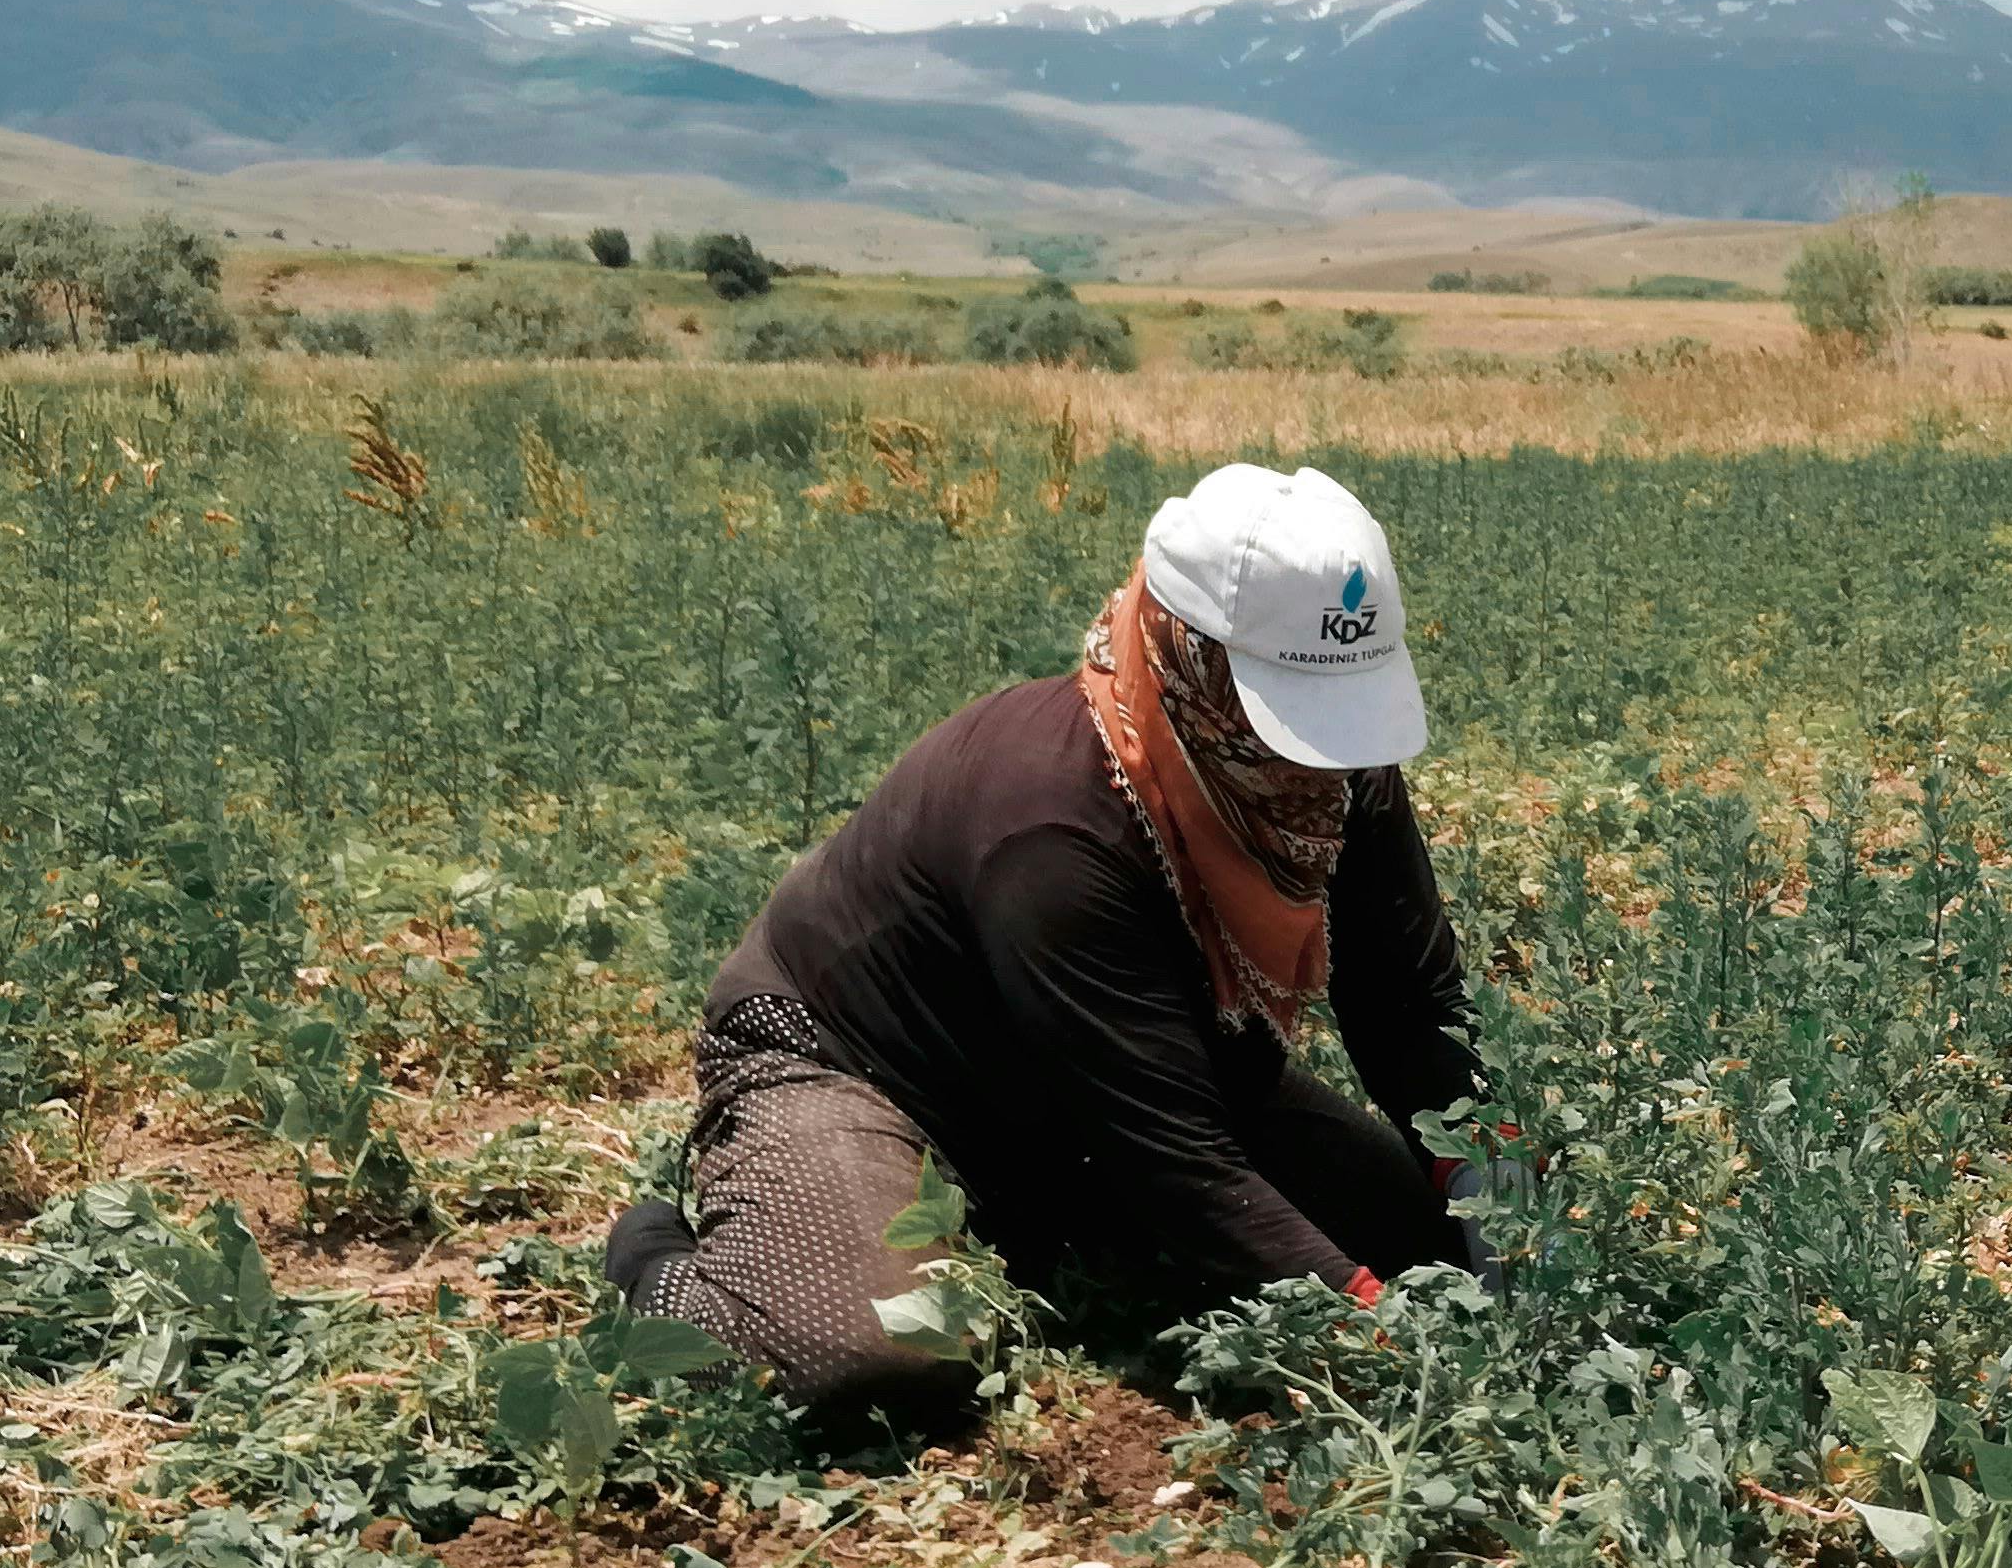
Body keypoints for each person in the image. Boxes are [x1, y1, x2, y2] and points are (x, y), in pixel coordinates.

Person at [604, 461, 1478, 1426]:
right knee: (882, 1356)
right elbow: (1181, 1161)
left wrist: (1512, 1221)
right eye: (1285, 712)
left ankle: (1043, 1214)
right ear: (1185, 650)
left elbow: (1413, 1010)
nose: (1315, 759)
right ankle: (657, 1262)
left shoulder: (1334, 773)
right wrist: (1385, 1344)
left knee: (1429, 1236)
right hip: (855, 1066)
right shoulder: (1053, 821)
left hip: (1120, 1079)